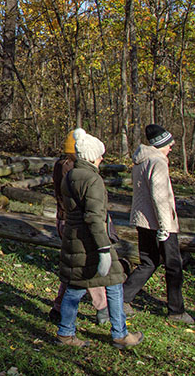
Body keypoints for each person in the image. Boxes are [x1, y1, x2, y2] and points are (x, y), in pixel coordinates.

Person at [56, 128, 143, 348]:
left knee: (75, 286)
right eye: (100, 154)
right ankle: (120, 333)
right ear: (91, 156)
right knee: (114, 283)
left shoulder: (70, 175)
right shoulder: (92, 180)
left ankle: (66, 333)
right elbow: (95, 217)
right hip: (93, 241)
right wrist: (104, 248)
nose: (102, 158)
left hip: (74, 238)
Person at [122, 124, 193, 323]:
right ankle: (176, 311)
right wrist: (164, 226)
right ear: (161, 144)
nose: (172, 146)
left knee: (149, 262)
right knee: (173, 266)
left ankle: (123, 297)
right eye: (169, 143)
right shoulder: (158, 163)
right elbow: (159, 197)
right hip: (160, 223)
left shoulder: (141, 162)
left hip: (143, 220)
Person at [49, 130, 108, 326]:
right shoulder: (71, 169)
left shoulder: (64, 166)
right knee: (86, 265)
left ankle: (58, 308)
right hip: (73, 222)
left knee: (73, 268)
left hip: (66, 220)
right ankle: (102, 307)